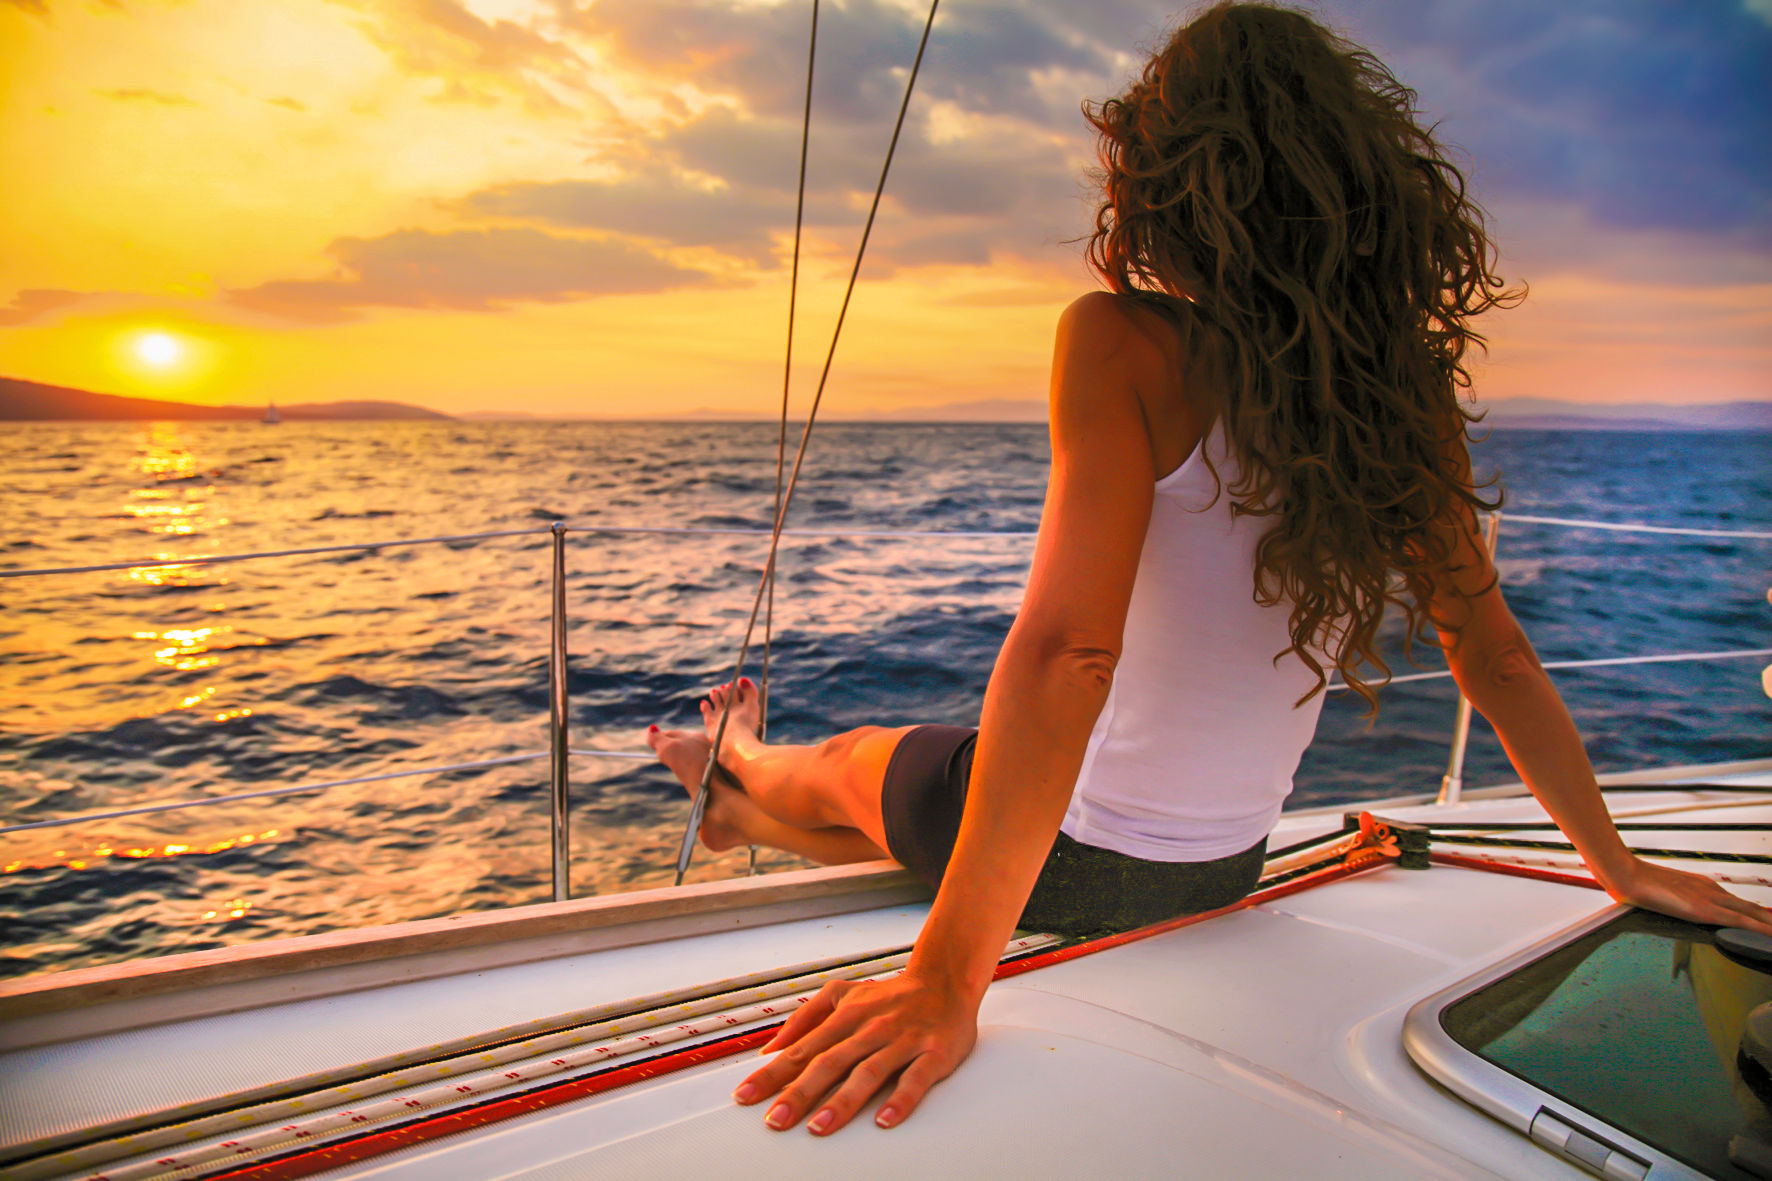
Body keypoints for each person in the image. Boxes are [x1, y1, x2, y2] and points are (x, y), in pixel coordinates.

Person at [645, 0, 1772, 1138]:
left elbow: (1070, 652)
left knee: (847, 764)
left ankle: (737, 763)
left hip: (1072, 865)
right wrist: (1617, 865)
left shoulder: (1124, 341)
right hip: (1222, 871)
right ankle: (738, 802)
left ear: (1174, 175)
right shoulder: (1400, 406)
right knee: (891, 801)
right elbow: (1495, 653)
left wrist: (948, 976)